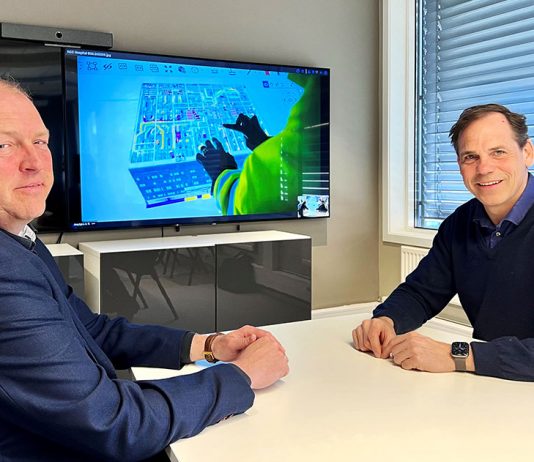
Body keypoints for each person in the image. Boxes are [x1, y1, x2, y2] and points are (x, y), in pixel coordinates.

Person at [0, 78, 289, 461]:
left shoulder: (20, 240)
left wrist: (208, 345)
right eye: (3, 145)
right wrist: (244, 375)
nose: (34, 162)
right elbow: (115, 423)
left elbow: (92, 331)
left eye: (40, 141)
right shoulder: (5, 268)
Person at [353, 103, 534, 382]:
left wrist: (459, 356)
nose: (484, 168)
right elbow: (422, 292)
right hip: (494, 382)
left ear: (527, 153)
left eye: (498, 152)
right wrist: (386, 320)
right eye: (470, 157)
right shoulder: (460, 223)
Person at [196, 73, 323, 216]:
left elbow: (249, 209)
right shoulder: (325, 92)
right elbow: (313, 205)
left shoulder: (318, 99)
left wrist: (222, 174)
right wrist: (264, 144)